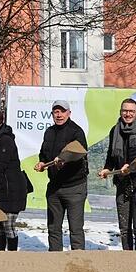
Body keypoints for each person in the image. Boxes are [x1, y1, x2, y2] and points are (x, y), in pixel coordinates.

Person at [99, 98, 136, 251]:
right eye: (125, 111)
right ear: (120, 112)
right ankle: (127, 260)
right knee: (124, 228)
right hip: (122, 184)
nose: (128, 114)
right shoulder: (115, 130)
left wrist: (130, 166)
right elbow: (111, 156)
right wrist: (106, 169)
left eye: (131, 111)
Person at [34, 99, 88, 251]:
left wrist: (66, 159)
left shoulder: (76, 132)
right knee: (53, 228)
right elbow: (43, 153)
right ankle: (55, 263)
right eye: (55, 112)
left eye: (62, 111)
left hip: (74, 187)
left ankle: (79, 264)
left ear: (69, 113)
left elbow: (80, 154)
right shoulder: (49, 132)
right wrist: (42, 163)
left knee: (75, 229)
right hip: (54, 188)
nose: (59, 115)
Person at [0, 109, 29, 251]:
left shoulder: (4, 141)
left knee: (8, 226)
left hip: (12, 191)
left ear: (0, 124)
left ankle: (12, 257)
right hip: (3, 188)